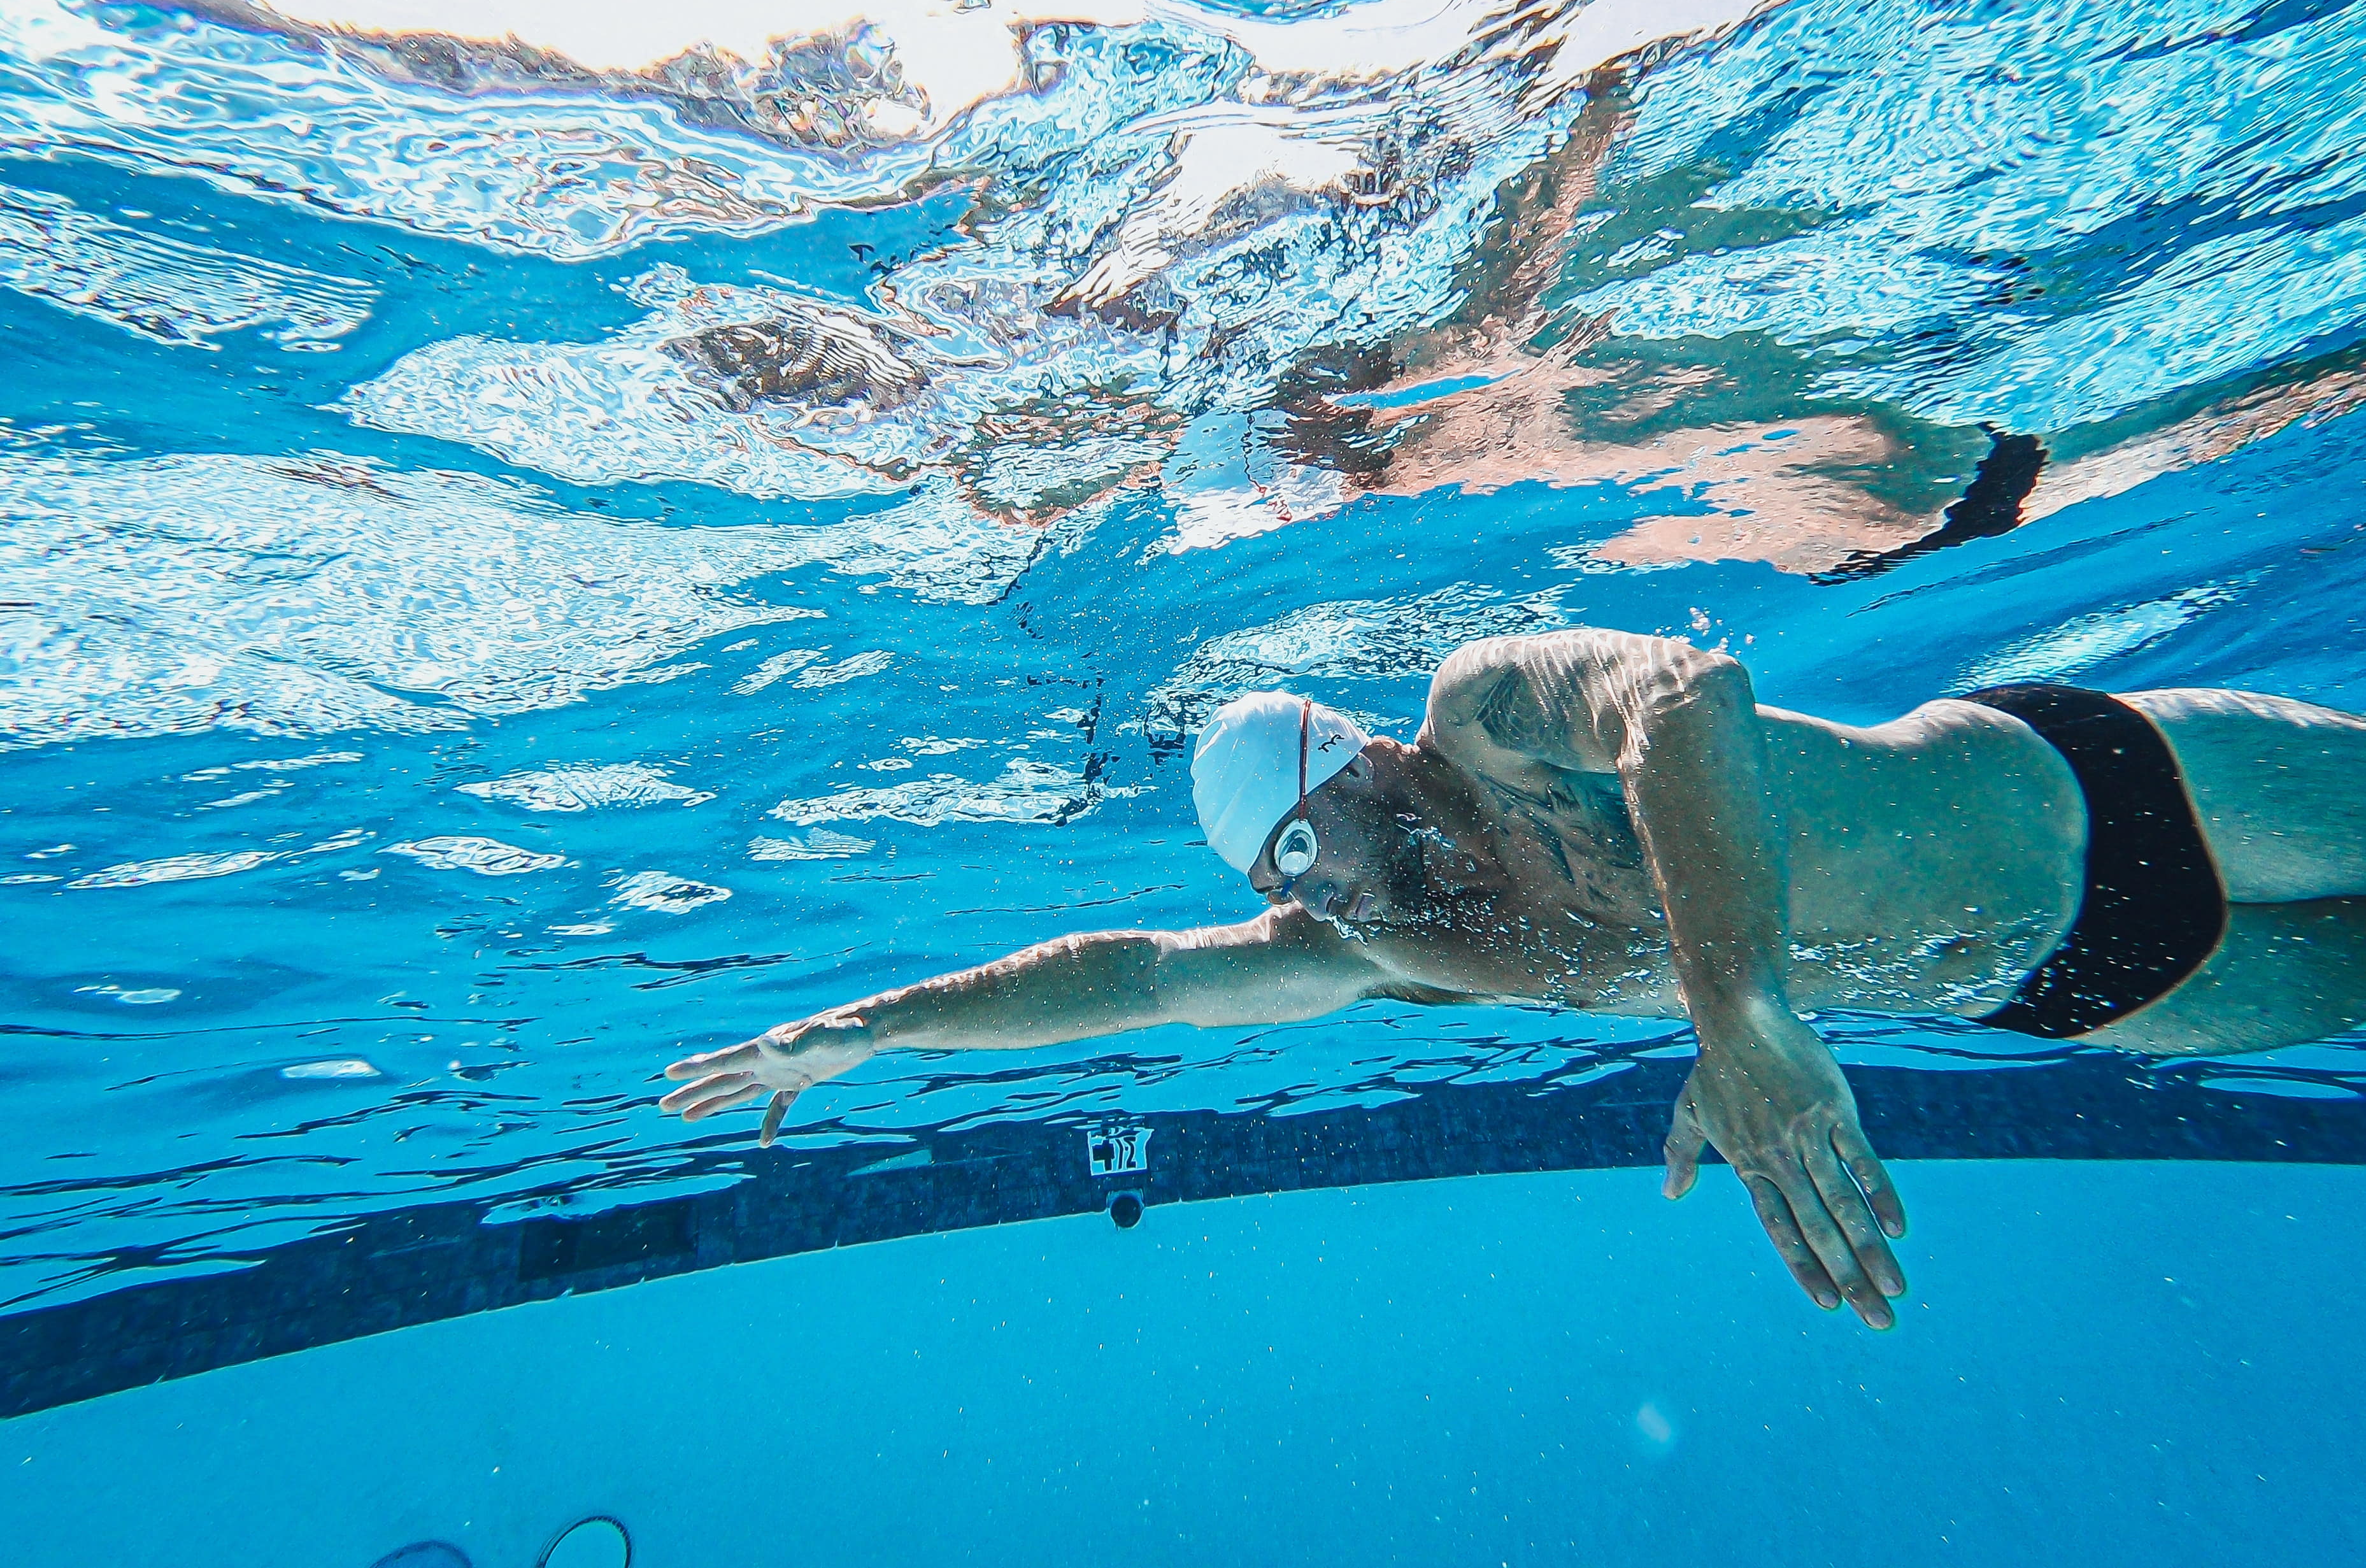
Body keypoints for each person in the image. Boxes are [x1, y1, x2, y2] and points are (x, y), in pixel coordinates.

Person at [662, 630, 2366, 1327]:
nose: (1335, 894)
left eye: (1321, 843)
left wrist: (1740, 1014)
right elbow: (1137, 978)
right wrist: (872, 1023)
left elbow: (1682, 696)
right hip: (2058, 979)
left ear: (1357, 759)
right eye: (1291, 886)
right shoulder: (1385, 945)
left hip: (2094, 788)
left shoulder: (1484, 716)